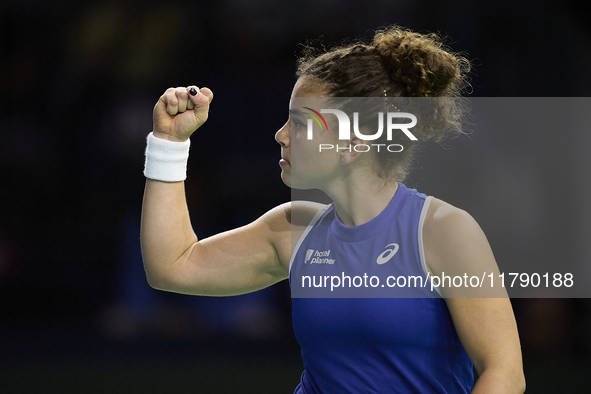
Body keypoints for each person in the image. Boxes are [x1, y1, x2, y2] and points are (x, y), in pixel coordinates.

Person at [140, 26, 525, 393]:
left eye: (301, 123)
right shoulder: (292, 229)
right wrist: (168, 143)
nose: (280, 135)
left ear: (352, 143)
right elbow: (171, 266)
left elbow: (504, 373)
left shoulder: (444, 231)